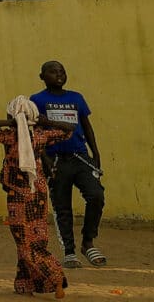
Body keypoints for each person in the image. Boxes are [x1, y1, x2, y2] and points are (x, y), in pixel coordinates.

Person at [0, 97, 70, 298]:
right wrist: (45, 123)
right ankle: (25, 283)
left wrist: (12, 123)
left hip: (18, 194)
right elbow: (68, 129)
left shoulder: (12, 136)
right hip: (37, 191)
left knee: (24, 240)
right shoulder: (40, 135)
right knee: (36, 237)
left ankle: (55, 275)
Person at [32, 60, 106, 268]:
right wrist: (45, 159)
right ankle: (70, 251)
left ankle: (88, 242)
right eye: (53, 72)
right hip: (55, 159)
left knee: (96, 195)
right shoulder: (37, 100)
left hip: (80, 157)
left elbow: (86, 126)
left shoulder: (76, 98)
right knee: (62, 206)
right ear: (42, 76)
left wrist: (96, 153)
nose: (59, 75)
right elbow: (35, 132)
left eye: (62, 71)